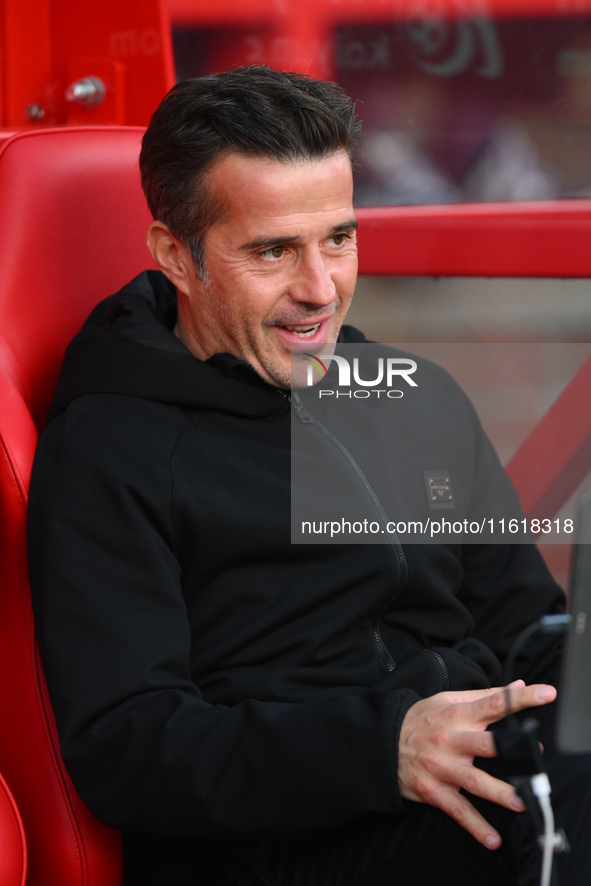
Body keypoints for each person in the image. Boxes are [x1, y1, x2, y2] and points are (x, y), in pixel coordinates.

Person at [27, 65, 589, 886]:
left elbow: (527, 630)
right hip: (285, 842)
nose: (319, 290)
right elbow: (127, 743)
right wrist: (382, 747)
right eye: (272, 251)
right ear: (176, 258)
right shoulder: (111, 447)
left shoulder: (412, 396)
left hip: (479, 783)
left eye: (339, 237)